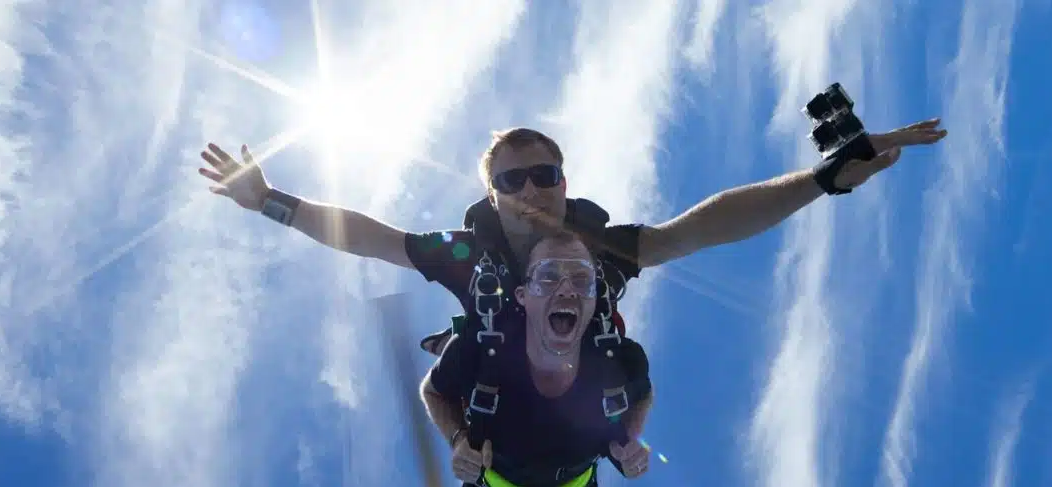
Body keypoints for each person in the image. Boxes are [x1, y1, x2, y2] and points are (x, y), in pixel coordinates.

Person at [197, 116, 947, 352]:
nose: (531, 190)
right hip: (498, 391)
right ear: (493, 196)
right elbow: (370, 236)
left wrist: (821, 181)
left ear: (563, 182)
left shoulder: (605, 250)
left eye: (543, 174)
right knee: (466, 367)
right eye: (512, 181)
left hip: (582, 397)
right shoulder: (470, 257)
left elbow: (706, 225)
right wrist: (271, 202)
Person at [419, 230, 654, 487]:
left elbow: (644, 394)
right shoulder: (478, 347)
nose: (565, 289)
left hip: (572, 486)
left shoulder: (619, 359)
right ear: (523, 296)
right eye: (548, 277)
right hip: (494, 481)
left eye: (581, 280)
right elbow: (433, 390)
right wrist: (457, 439)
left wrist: (628, 441)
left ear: (595, 298)